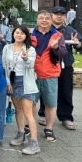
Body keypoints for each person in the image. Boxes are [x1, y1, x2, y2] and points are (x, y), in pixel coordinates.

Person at [2, 26, 40, 155]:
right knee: (18, 109)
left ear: (26, 36)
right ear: (13, 34)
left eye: (22, 33)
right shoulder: (7, 48)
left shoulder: (30, 49)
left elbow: (31, 65)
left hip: (25, 82)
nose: (19, 35)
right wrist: (8, 83)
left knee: (28, 113)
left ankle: (34, 143)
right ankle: (21, 134)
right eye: (17, 32)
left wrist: (25, 58)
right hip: (12, 82)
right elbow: (5, 67)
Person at [31, 10, 67, 143]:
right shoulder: (30, 35)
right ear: (37, 20)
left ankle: (49, 128)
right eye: (41, 18)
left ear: (51, 20)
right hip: (32, 75)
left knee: (50, 104)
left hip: (50, 75)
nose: (44, 20)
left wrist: (56, 47)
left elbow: (63, 54)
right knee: (31, 103)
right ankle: (30, 124)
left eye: (47, 18)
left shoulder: (57, 36)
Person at [46, 6, 82, 130]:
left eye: (61, 14)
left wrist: (77, 43)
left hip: (65, 65)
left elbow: (81, 45)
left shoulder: (70, 30)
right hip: (48, 65)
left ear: (64, 17)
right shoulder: (45, 30)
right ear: (51, 16)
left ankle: (66, 117)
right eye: (56, 14)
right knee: (45, 90)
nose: (59, 16)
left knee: (66, 91)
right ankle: (43, 114)